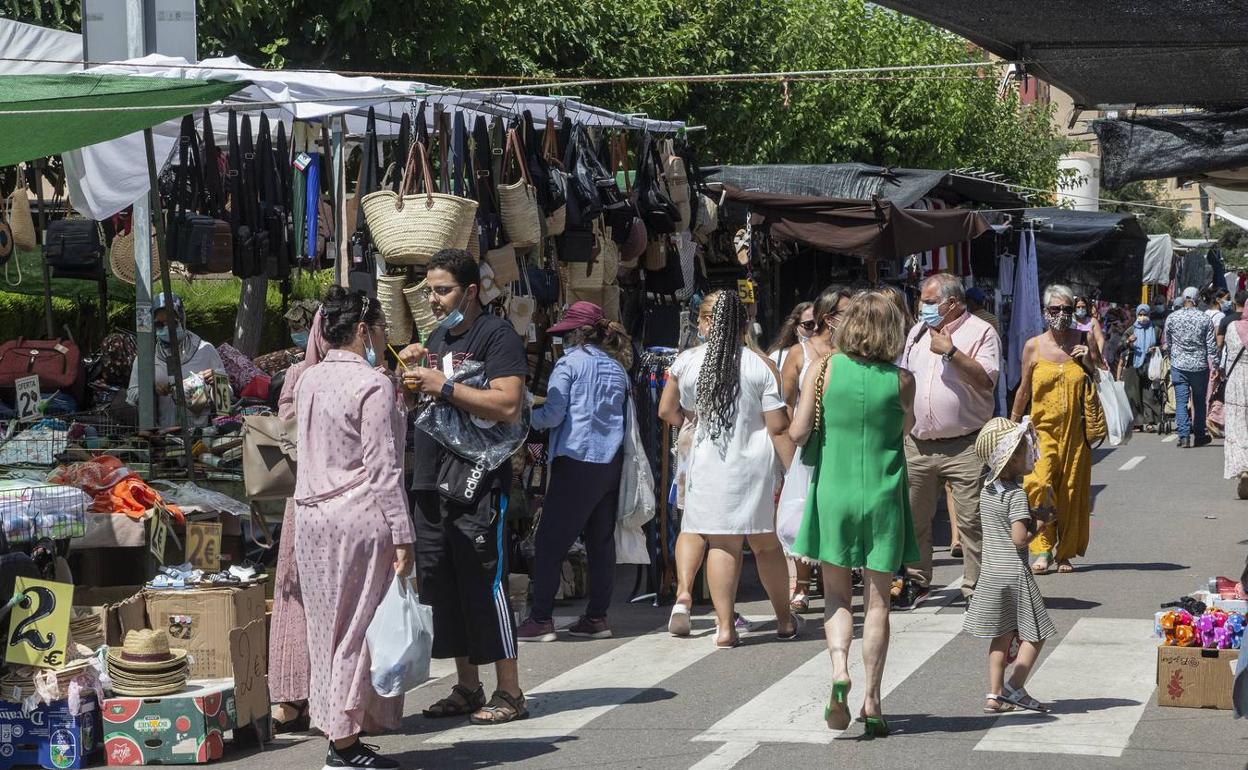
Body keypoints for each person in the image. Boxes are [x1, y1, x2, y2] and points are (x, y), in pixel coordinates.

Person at [398, 249, 529, 725]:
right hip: (431, 481)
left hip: (476, 482)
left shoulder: (497, 335)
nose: (433, 300)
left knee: (483, 581)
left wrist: (444, 385)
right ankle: (468, 686)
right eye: (429, 291)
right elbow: (424, 403)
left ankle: (510, 692)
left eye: (443, 290)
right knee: (442, 584)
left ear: (470, 291)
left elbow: (508, 404)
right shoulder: (436, 338)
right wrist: (410, 379)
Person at [292, 288, 414, 770]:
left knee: (326, 632)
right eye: (381, 328)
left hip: (310, 518)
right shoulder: (372, 384)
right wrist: (403, 533)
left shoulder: (307, 378)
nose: (385, 338)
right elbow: (383, 468)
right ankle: (343, 743)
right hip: (358, 517)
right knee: (357, 631)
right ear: (363, 330)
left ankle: (339, 735)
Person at [789, 290, 919, 737]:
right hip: (883, 493)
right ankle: (873, 699)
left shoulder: (824, 369)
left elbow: (798, 431)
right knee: (879, 603)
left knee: (837, 596)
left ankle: (840, 669)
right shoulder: (903, 380)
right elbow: (907, 431)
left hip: (834, 491)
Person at [658, 290, 800, 648]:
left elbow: (668, 411)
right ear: (744, 324)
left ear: (707, 323)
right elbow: (778, 427)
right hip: (753, 466)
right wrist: (795, 474)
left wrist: (692, 422)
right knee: (766, 545)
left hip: (708, 464)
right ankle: (784, 621)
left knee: (722, 544)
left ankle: (725, 628)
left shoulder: (687, 363)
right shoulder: (760, 365)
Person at [518, 302, 630, 642]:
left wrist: (524, 415)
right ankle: (597, 617)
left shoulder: (568, 364)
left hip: (576, 460)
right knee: (600, 542)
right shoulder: (617, 368)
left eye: (565, 333)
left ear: (575, 334)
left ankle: (541, 619)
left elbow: (553, 415)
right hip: (610, 462)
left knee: (550, 542)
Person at [897, 274, 1000, 608]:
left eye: (929, 302)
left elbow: (987, 381)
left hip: (965, 445)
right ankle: (917, 581)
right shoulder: (916, 332)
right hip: (918, 443)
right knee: (914, 518)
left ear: (952, 303)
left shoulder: (981, 332)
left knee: (972, 520)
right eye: (922, 300)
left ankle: (976, 588)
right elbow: (904, 379)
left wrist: (952, 352)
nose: (922, 307)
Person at [964, 417, 1056, 714]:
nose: (1029, 453)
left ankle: (994, 695)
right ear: (1011, 458)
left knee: (1001, 636)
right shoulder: (1016, 494)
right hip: (1015, 573)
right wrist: (1041, 524)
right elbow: (1019, 538)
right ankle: (1015, 686)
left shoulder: (987, 488)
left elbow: (1000, 524)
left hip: (991, 573)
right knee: (1037, 633)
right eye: (1024, 449)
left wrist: (1032, 515)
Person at [1011, 284, 1103, 575]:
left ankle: (1065, 553)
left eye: (1067, 309)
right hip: (1042, 433)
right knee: (1039, 485)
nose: (1062, 314)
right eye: (1055, 309)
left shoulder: (1084, 339)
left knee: (1071, 492)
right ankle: (1042, 547)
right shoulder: (1034, 346)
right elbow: (1024, 389)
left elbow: (1100, 378)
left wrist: (1088, 361)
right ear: (1045, 312)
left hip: (1077, 432)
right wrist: (1013, 424)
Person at [269, 307, 330, 734]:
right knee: (295, 595)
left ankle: (330, 699)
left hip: (343, 499)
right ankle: (291, 695)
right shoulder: (298, 375)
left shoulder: (371, 377)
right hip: (305, 497)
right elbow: (287, 425)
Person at [781, 286, 852, 612]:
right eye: (847, 313)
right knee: (802, 512)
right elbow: (785, 402)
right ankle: (802, 584)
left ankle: (831, 578)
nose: (853, 319)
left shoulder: (851, 351)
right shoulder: (801, 353)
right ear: (828, 316)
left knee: (833, 512)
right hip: (807, 445)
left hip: (841, 446)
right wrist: (790, 448)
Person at [124, 292, 225, 430]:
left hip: (200, 434)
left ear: (182, 320)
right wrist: (151, 388)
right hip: (162, 435)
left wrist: (217, 383)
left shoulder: (205, 351)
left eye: (172, 322)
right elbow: (131, 395)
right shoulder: (146, 358)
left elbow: (225, 402)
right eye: (159, 324)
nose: (166, 328)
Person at [1164, 286, 1217, 448]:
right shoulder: (1204, 318)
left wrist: (1173, 357)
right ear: (1197, 299)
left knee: (1181, 401)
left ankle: (1184, 436)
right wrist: (1216, 365)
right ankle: (1199, 435)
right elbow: (1211, 345)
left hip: (1179, 365)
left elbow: (1168, 342)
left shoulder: (1172, 318)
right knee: (1199, 402)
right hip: (1199, 366)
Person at [1121, 304, 1161, 431]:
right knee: (1133, 394)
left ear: (1149, 315)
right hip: (1133, 365)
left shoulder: (1156, 330)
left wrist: (1156, 349)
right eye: (1140, 315)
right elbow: (1120, 346)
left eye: (1145, 315)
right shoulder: (1130, 330)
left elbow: (1162, 345)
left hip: (1150, 364)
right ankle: (1137, 423)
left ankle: (1150, 422)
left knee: (1149, 394)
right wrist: (1128, 341)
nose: (1143, 317)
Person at [254, 299, 321, 375]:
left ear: (312, 327)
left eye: (296, 328)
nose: (292, 333)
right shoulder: (296, 355)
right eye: (290, 328)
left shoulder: (324, 359)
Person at [1223, 312, 1248, 498]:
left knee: (1238, 426)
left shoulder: (1232, 327)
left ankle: (1243, 467)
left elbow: (1228, 352)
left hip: (1236, 383)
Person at [768, 301, 814, 373]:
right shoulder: (777, 357)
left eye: (819, 324)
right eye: (809, 324)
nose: (816, 328)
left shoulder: (828, 356)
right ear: (795, 329)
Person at [1073, 295, 1107, 363]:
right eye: (1078, 307)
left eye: (1083, 307)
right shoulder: (1071, 321)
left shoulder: (1093, 321)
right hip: (1074, 355)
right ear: (1074, 308)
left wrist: (1099, 354)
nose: (1081, 309)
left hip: (1090, 357)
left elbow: (1100, 339)